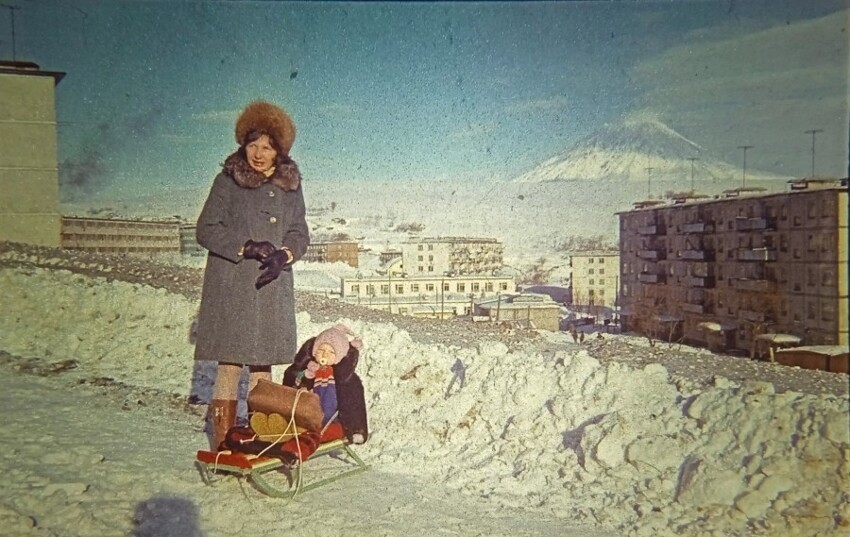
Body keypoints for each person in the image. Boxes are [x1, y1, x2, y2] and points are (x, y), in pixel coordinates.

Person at [194, 100, 310, 451]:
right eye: (253, 144)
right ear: (243, 144)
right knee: (230, 363)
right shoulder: (227, 182)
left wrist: (283, 255)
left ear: (280, 151)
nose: (258, 154)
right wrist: (246, 246)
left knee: (263, 366)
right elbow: (206, 229)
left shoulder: (291, 187)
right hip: (233, 284)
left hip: (271, 284)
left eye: (267, 147)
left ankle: (263, 438)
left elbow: (300, 233)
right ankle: (223, 442)